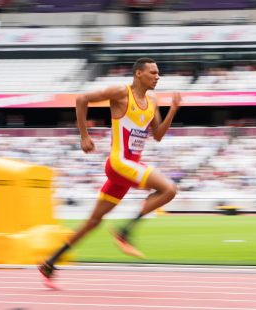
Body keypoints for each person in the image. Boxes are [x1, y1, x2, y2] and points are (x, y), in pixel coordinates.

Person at [38, 57, 181, 289]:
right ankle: (125, 231)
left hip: (127, 170)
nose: (157, 77)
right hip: (119, 163)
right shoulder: (121, 93)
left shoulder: (153, 101)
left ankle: (49, 262)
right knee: (169, 189)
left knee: (93, 221)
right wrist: (84, 135)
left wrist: (173, 111)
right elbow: (82, 99)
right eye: (153, 73)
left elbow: (157, 135)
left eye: (158, 73)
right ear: (138, 74)